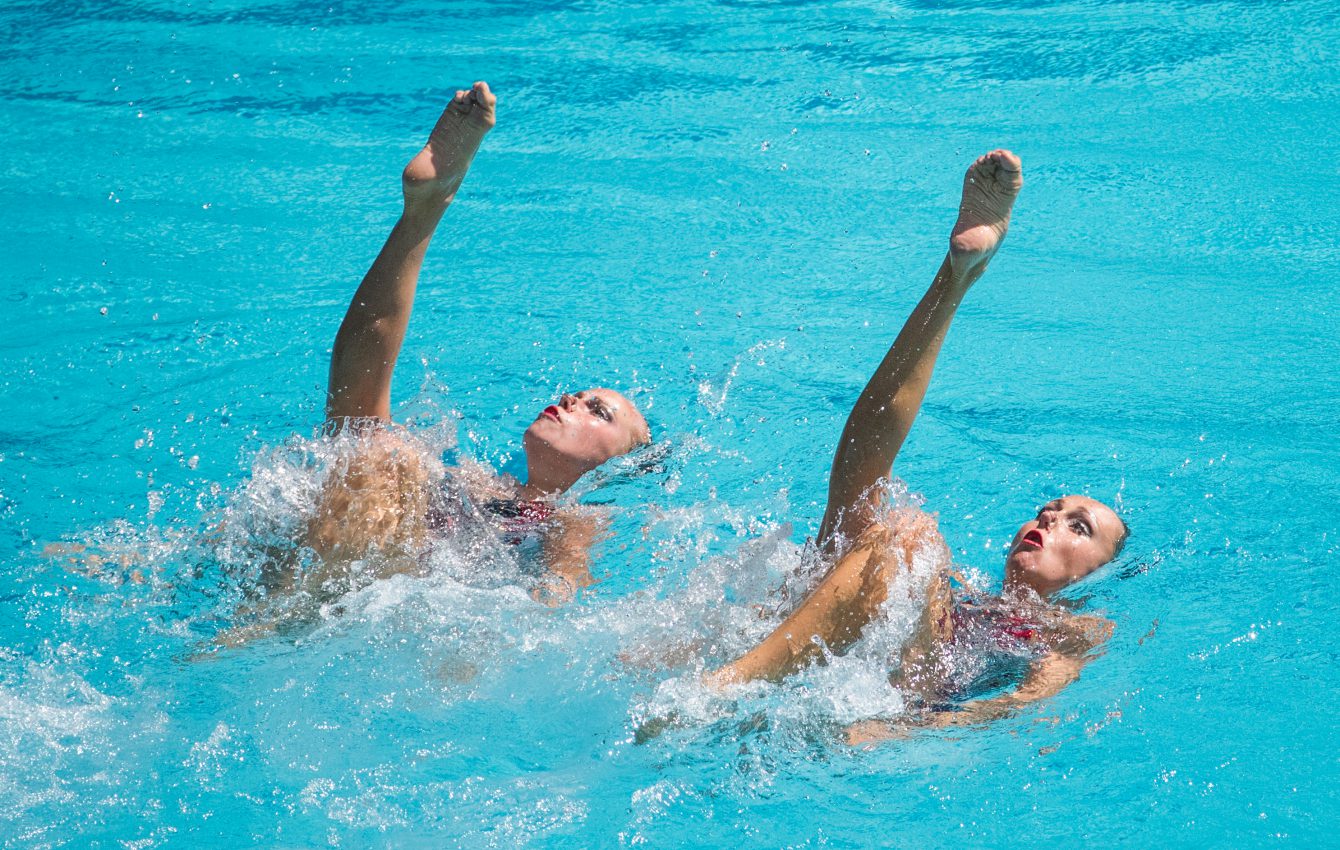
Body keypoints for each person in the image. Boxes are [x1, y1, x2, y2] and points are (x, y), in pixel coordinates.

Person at [699, 149, 1128, 743]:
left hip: (906, 693)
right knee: (870, 503)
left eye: (1079, 528)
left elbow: (1025, 707)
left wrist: (899, 730)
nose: (1049, 519)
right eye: (1050, 510)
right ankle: (953, 280)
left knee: (910, 534)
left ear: (1101, 574)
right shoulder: (966, 593)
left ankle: (724, 688)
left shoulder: (1076, 633)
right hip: (846, 653)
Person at [229, 83, 651, 638]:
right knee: (373, 445)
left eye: (598, 411)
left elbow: (556, 602)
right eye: (579, 394)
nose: (572, 400)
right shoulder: (474, 481)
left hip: (399, 611)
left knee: (382, 458)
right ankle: (424, 210)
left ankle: (270, 618)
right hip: (342, 573)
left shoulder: (573, 521)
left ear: (611, 465)